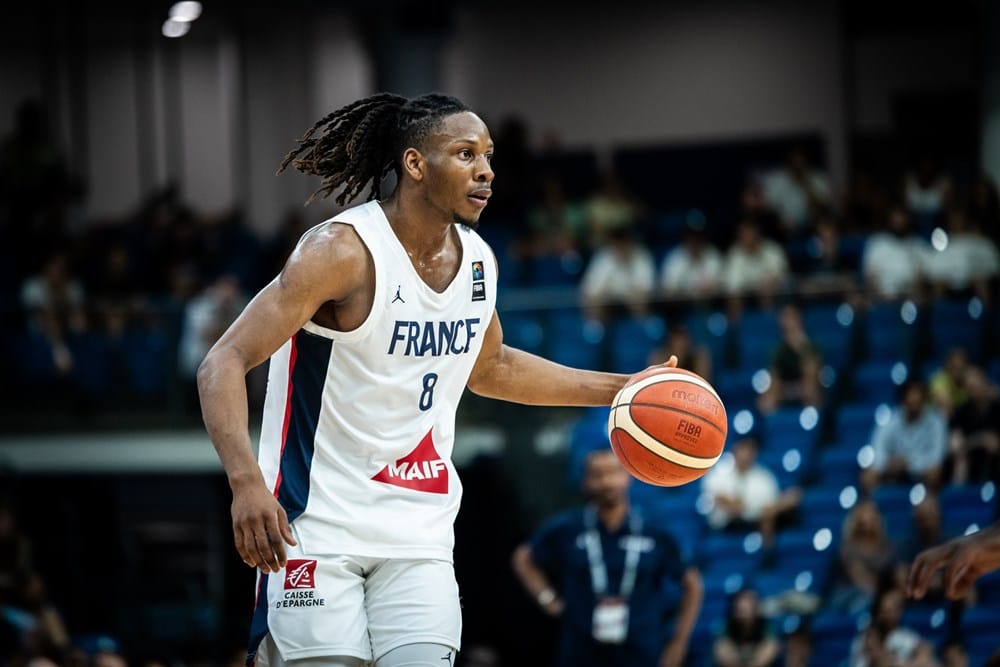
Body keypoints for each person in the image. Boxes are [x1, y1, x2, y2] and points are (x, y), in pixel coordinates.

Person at [196, 93, 679, 667]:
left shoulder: (478, 262)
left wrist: (621, 388)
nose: (486, 170)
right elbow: (221, 362)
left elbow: (492, 367)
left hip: (418, 533)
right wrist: (246, 483)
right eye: (466, 153)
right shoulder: (340, 251)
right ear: (415, 165)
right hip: (316, 527)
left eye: (490, 156)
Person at [510, 447, 702, 667]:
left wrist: (678, 643)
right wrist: (548, 599)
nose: (606, 482)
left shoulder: (654, 531)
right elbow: (523, 558)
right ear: (585, 482)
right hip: (580, 652)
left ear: (628, 476)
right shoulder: (568, 529)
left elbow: (692, 584)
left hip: (640, 652)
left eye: (613, 472)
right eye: (597, 475)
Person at [700, 437, 801, 546]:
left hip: (754, 528)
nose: (746, 454)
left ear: (755, 453)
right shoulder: (718, 474)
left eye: (750, 450)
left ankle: (766, 555)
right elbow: (724, 504)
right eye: (743, 449)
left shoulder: (765, 478)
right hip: (723, 529)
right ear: (735, 449)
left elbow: (769, 510)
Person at [861, 379, 948, 494]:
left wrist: (909, 463)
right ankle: (872, 507)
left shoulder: (936, 421)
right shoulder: (890, 420)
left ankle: (930, 503)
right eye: (910, 399)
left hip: (922, 472)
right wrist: (888, 463)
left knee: (934, 473)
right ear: (903, 401)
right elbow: (878, 450)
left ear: (924, 400)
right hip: (893, 470)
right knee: (867, 476)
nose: (914, 402)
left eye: (918, 399)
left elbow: (936, 458)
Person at [847, 585, 940, 667]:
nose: (893, 613)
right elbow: (880, 661)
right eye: (888, 609)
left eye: (897, 608)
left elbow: (925, 650)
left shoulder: (900, 635)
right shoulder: (867, 634)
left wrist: (922, 656)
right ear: (879, 610)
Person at [712, 588, 781, 667]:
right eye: (739, 602)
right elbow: (724, 658)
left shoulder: (767, 629)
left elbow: (764, 659)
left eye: (747, 603)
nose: (742, 605)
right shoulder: (722, 628)